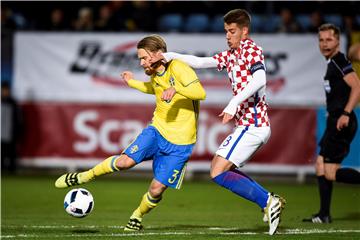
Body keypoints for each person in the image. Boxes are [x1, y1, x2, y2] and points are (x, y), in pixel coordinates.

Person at [151, 9, 285, 235]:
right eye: (226, 31)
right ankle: (269, 200)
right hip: (248, 126)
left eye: (232, 31)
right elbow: (202, 62)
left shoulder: (251, 49)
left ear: (244, 31)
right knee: (221, 169)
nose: (228, 36)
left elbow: (260, 78)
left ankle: (268, 201)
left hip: (253, 125)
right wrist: (171, 55)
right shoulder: (232, 54)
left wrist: (233, 103)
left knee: (217, 170)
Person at [55, 34, 206, 231]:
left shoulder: (179, 67)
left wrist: (176, 89)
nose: (141, 62)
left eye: (144, 58)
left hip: (181, 143)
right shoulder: (154, 74)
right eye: (140, 58)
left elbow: (200, 93)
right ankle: (85, 176)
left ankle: (138, 215)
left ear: (157, 54)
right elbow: (154, 89)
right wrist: (131, 82)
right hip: (157, 130)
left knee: (156, 189)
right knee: (124, 161)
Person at [303, 23, 360, 223]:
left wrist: (345, 113)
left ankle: (324, 214)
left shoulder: (338, 61)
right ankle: (324, 214)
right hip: (335, 119)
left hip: (342, 121)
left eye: (329, 39)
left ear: (337, 41)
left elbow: (357, 87)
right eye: (321, 40)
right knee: (320, 166)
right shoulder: (333, 62)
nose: (324, 43)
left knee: (330, 172)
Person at [1, 82, 22, 173]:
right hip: (1, 134)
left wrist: (17, 132)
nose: (5, 92)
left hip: (10, 134)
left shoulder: (13, 103)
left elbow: (18, 119)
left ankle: (12, 171)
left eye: (6, 90)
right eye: (3, 90)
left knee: (11, 154)